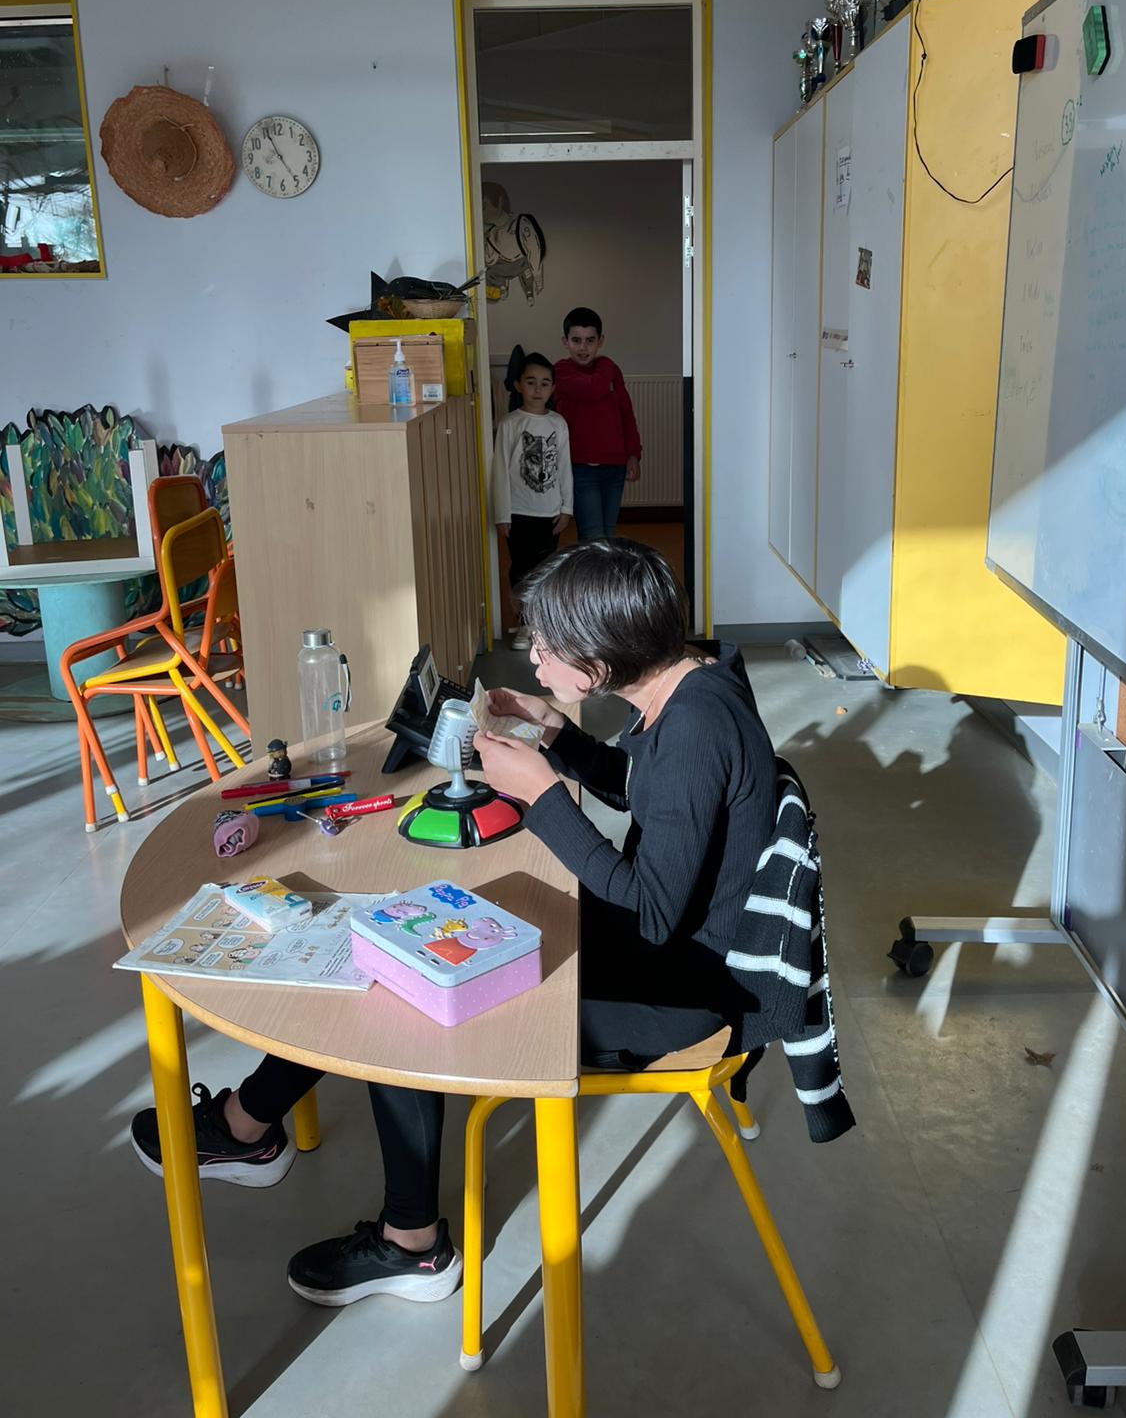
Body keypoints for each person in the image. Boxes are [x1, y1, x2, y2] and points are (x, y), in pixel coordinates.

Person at [128, 540, 775, 1310]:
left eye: (547, 648)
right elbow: (651, 794)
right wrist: (555, 734)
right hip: (667, 947)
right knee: (411, 936)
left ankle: (411, 1246)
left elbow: (655, 911)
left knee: (403, 987)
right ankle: (248, 1124)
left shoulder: (696, 733)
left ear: (601, 661)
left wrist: (543, 799)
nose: (534, 658)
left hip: (677, 990)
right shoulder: (694, 681)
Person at [492, 352, 572, 651]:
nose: (538, 389)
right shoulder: (510, 423)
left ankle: (539, 623)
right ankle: (525, 622)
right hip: (518, 511)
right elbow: (500, 470)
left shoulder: (558, 424)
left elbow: (564, 467)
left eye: (545, 383)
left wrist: (566, 507)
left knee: (546, 569)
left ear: (553, 388)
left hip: (549, 512)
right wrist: (502, 513)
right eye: (531, 382)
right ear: (518, 385)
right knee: (521, 569)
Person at [554, 307, 642, 540]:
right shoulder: (561, 371)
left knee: (607, 533)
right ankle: (588, 567)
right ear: (565, 341)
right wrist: (606, 365)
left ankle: (597, 567)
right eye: (576, 340)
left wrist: (634, 453)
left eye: (590, 340)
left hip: (615, 466)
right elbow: (592, 389)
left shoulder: (612, 371)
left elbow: (626, 413)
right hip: (581, 467)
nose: (583, 347)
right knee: (593, 535)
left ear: (600, 341)